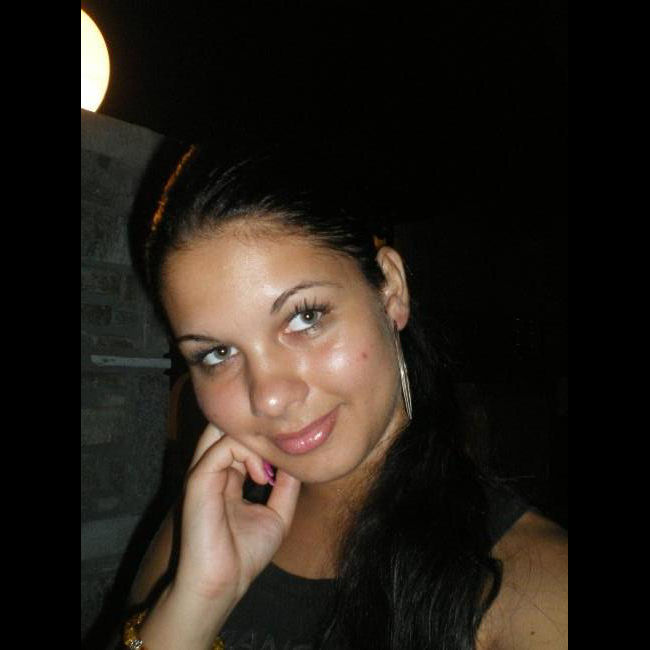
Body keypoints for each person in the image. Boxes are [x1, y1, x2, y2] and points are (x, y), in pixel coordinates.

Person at [121, 142, 568, 650]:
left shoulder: (540, 592)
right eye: (217, 353)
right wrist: (196, 602)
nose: (270, 397)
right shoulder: (199, 531)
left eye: (305, 317)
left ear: (391, 290)